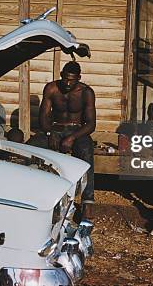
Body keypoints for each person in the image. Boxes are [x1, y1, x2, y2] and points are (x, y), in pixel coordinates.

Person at [39, 61, 96, 218]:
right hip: (55, 128)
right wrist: (50, 133)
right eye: (65, 79)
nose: (68, 83)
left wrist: (71, 137)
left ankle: (87, 202)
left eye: (72, 80)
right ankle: (38, 194)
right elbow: (43, 117)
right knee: (33, 149)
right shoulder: (52, 88)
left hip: (77, 130)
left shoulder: (86, 92)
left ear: (79, 78)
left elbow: (91, 124)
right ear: (61, 75)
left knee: (86, 153)